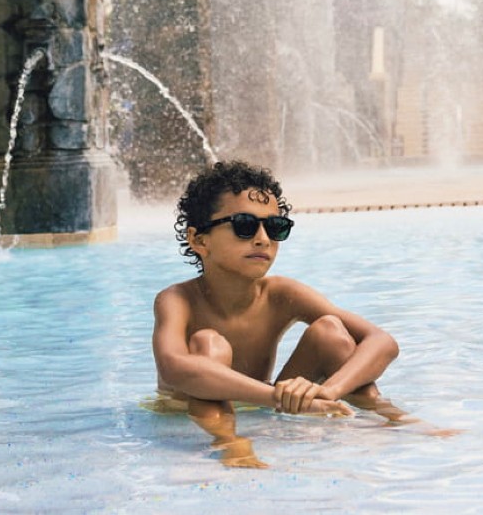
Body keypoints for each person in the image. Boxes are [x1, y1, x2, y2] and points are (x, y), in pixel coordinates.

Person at [151, 160, 400, 466]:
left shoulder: (282, 294)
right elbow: (176, 368)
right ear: (199, 240)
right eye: (244, 225)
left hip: (266, 403)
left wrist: (325, 391)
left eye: (274, 227)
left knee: (331, 331)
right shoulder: (176, 300)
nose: (263, 238)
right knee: (208, 343)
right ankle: (229, 443)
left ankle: (388, 415)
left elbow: (381, 341)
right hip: (192, 413)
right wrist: (277, 397)